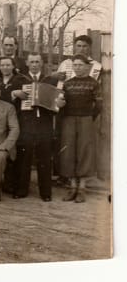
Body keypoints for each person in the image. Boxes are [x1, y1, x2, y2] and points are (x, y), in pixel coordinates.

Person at [9, 53, 59, 201]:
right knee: (24, 156)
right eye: (32, 62)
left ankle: (46, 192)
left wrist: (59, 103)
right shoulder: (19, 80)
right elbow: (8, 97)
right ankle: (22, 189)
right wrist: (14, 93)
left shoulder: (50, 80)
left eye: (37, 62)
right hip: (26, 121)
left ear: (42, 63)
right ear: (27, 63)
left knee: (44, 157)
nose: (35, 64)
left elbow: (57, 101)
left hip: (45, 122)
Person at [58, 54, 102, 203]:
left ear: (87, 67)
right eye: (75, 65)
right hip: (69, 120)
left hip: (86, 120)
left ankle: (82, 188)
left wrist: (89, 118)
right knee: (69, 152)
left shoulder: (93, 83)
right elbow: (61, 103)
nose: (78, 68)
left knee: (84, 151)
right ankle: (72, 188)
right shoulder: (67, 84)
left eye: (80, 65)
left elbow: (99, 105)